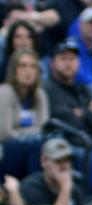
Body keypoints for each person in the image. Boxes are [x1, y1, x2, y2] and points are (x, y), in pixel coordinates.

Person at [0, 48, 48, 176]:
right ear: (14, 70)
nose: (28, 70)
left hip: (31, 144)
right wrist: (29, 136)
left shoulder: (40, 94)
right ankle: (35, 189)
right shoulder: (5, 92)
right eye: (23, 66)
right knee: (35, 145)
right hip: (4, 149)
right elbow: (4, 133)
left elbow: (43, 127)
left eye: (33, 66)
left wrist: (25, 134)